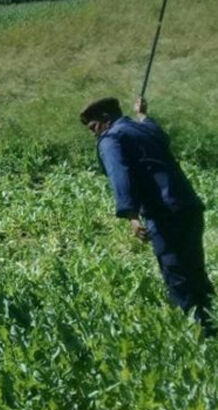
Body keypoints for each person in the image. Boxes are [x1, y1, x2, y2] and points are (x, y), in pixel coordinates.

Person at [81, 97, 214, 336]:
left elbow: (120, 177)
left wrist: (131, 215)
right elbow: (160, 134)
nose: (94, 134)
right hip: (188, 206)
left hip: (163, 213)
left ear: (105, 119)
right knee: (194, 269)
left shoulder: (111, 139)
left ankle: (199, 334)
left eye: (94, 127)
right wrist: (142, 114)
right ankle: (211, 321)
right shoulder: (144, 128)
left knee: (176, 273)